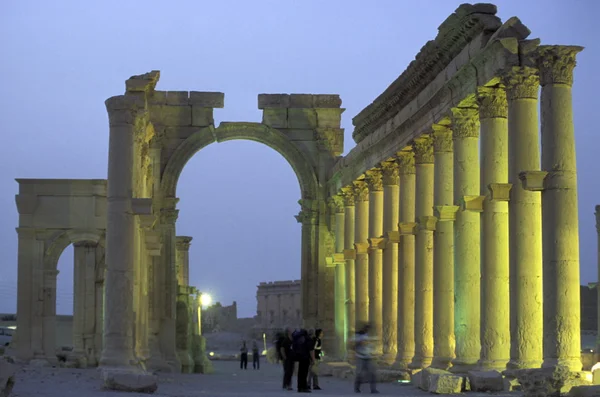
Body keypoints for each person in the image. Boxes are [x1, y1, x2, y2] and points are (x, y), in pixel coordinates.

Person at [353, 323, 379, 394]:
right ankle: (357, 388)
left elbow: (375, 346)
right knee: (360, 374)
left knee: (372, 373)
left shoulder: (373, 337)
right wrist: (361, 343)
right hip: (361, 357)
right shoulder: (359, 336)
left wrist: (375, 353)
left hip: (370, 357)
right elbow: (354, 345)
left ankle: (373, 389)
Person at [293, 328, 315, 393]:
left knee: (300, 373)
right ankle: (304, 387)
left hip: (300, 357)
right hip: (305, 358)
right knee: (304, 373)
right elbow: (311, 350)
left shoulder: (299, 339)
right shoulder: (308, 339)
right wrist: (313, 359)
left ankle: (299, 387)